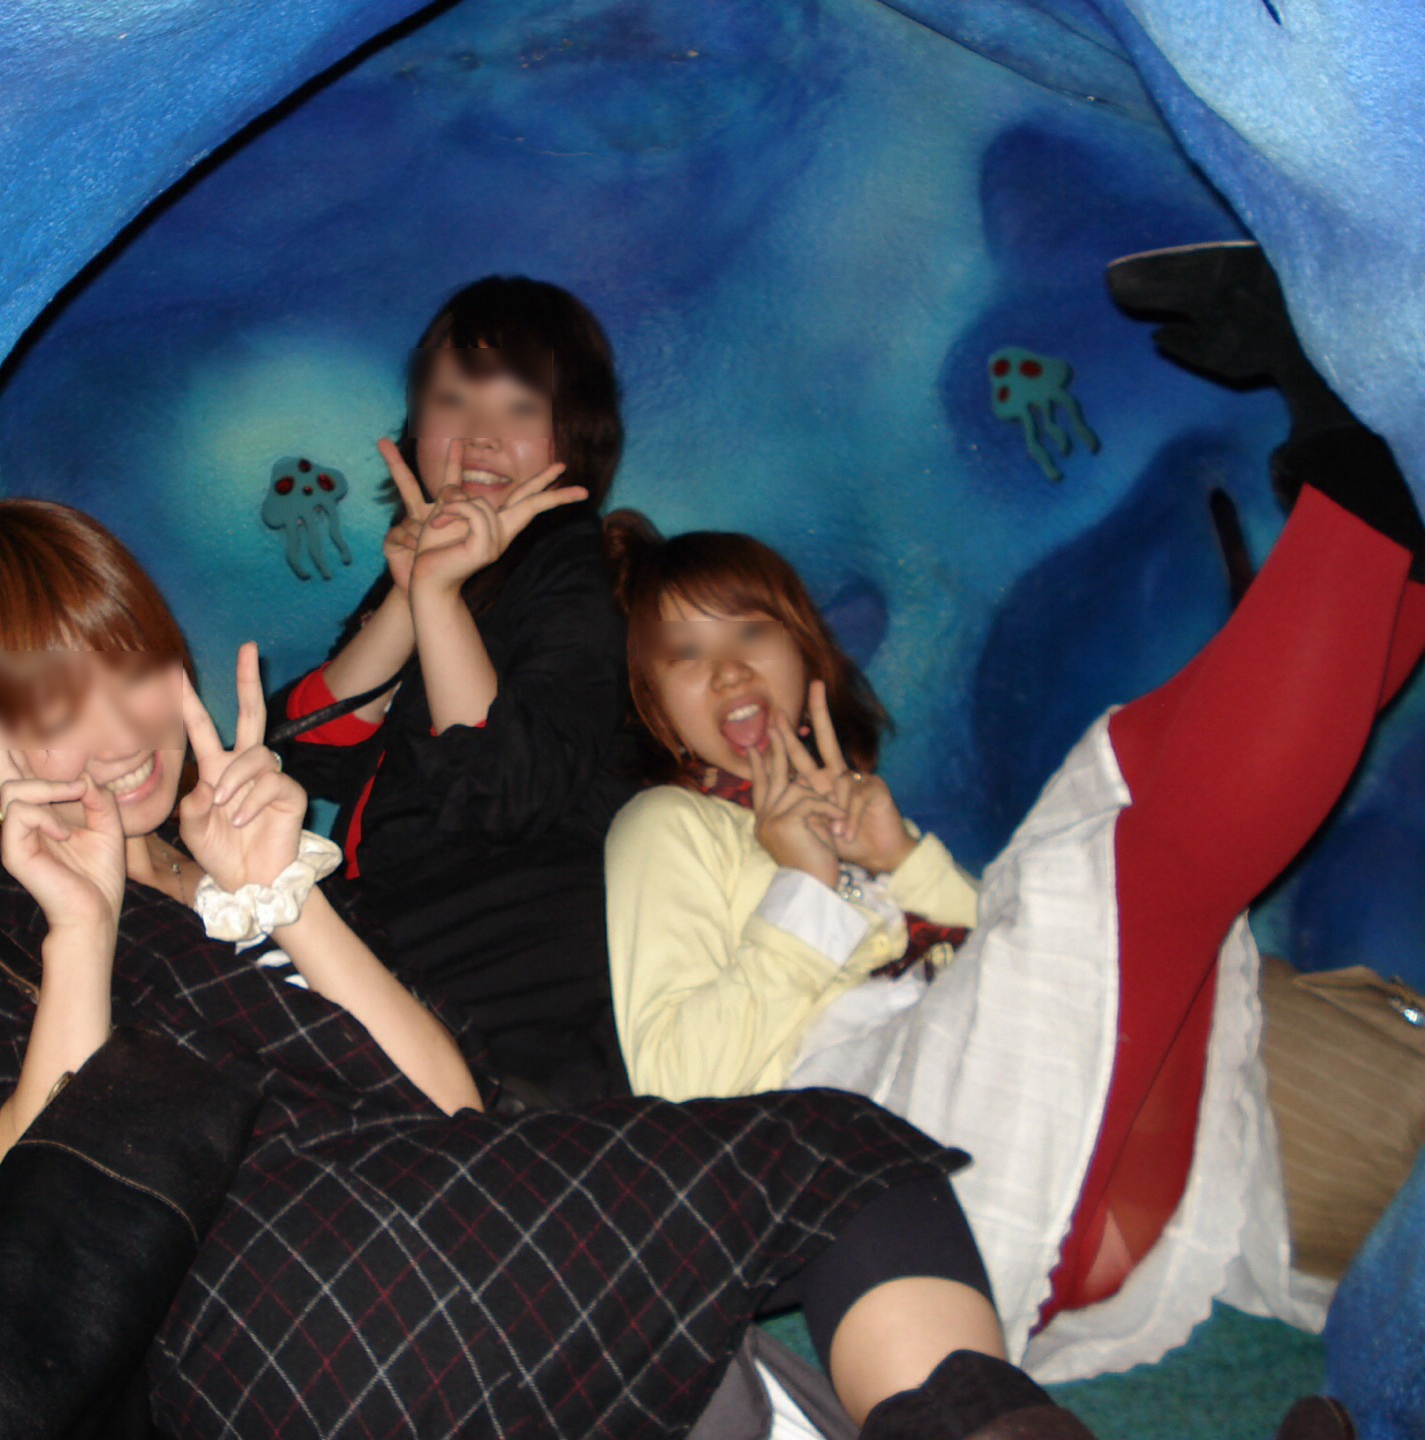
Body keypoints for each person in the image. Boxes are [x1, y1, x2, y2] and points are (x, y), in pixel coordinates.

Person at [0, 497, 1116, 1440]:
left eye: (132, 669)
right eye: (54, 710)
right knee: (838, 1153)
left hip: (442, 1261)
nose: (125, 730)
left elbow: (450, 1102)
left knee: (757, 1300)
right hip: (267, 1314)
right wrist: (78, 935)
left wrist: (287, 898)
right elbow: (16, 1237)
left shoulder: (238, 862)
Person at [604, 241, 1425, 1388]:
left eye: (751, 631)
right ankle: (1362, 502)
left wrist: (901, 857)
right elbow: (683, 1096)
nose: (730, 670)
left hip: (1093, 1152)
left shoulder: (856, 807)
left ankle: (1376, 536)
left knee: (1135, 810)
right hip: (923, 1183)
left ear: (807, 654)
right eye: (685, 655)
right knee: (1117, 823)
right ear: (654, 705)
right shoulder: (663, 831)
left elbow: (1027, 974)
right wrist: (802, 883)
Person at [271, 276, 634, 1107]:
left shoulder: (578, 570)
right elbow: (298, 756)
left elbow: (500, 791)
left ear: (573, 435)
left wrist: (434, 599)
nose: (479, 435)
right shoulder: (440, 563)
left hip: (517, 978)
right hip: (394, 946)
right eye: (453, 400)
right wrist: (410, 595)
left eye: (519, 406)